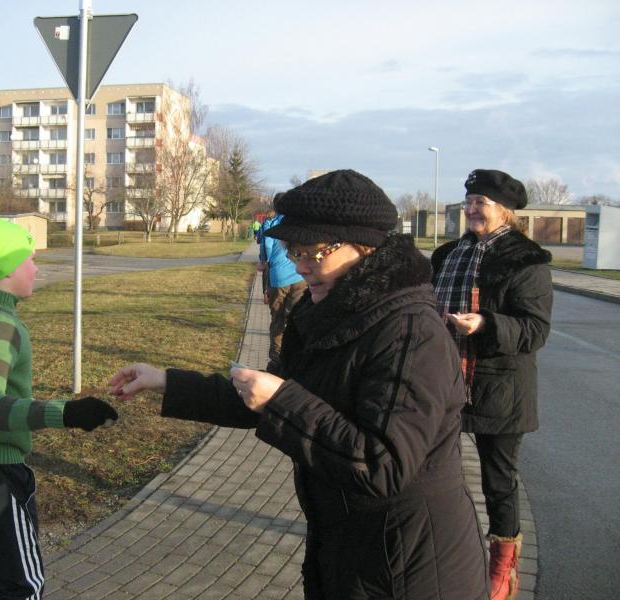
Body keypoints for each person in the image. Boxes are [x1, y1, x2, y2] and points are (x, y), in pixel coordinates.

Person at [110, 170, 488, 599]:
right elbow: (262, 393)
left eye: (313, 252)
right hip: (347, 549)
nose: (299, 265)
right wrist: (165, 381)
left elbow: (382, 465)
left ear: (364, 247)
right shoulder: (328, 312)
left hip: (410, 567)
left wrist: (280, 401)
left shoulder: (410, 331)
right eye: (293, 251)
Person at [0, 218, 118, 600]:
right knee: (21, 587)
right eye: (31, 259)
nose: (36, 268)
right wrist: (67, 413)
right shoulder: (0, 325)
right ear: (7, 266)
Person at [431, 169, 552, 600]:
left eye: (479, 202)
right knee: (436, 472)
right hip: (443, 380)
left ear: (504, 211)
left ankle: (504, 566)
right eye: (468, 202)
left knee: (498, 482)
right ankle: (448, 549)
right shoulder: (448, 254)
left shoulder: (526, 260)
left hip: (499, 388)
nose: (470, 209)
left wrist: (484, 324)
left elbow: (535, 330)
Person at [258, 203, 307, 371]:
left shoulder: (271, 223)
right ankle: (294, 359)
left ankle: (276, 360)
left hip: (279, 276)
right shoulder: (299, 221)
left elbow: (266, 245)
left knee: (277, 319)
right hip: (300, 276)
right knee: (295, 318)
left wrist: (265, 261)